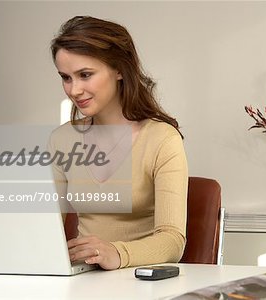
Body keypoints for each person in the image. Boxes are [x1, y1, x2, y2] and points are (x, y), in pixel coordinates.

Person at [48, 16, 188, 270]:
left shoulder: (162, 139)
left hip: (140, 281)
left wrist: (116, 252)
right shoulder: (62, 140)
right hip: (83, 280)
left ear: (120, 70)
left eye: (85, 75)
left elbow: (172, 241)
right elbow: (45, 230)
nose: (73, 90)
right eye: (66, 78)